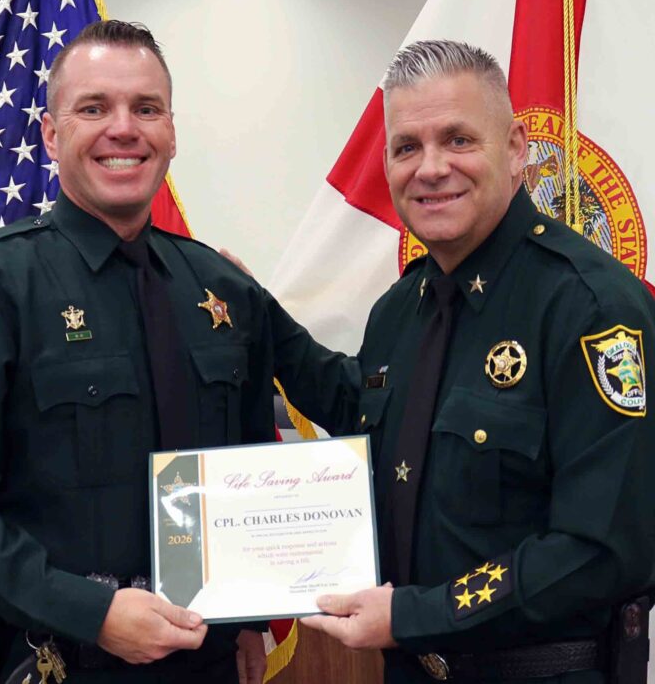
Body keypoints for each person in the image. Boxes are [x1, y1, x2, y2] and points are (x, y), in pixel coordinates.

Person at [0, 21, 272, 684]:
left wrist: (247, 618)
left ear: (171, 131)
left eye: (146, 108)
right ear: (51, 134)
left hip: (205, 660)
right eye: (94, 107)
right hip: (58, 658)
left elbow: (242, 460)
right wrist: (87, 609)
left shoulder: (218, 287)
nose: (124, 128)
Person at [261, 40, 655, 683]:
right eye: (407, 147)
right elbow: (362, 413)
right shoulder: (400, 308)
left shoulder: (592, 308)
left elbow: (602, 550)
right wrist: (254, 311)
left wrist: (414, 615)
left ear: (517, 148)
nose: (431, 168)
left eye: (458, 139)